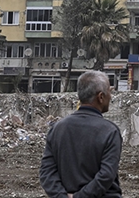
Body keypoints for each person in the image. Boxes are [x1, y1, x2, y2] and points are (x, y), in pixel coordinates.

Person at [40, 70, 123, 198]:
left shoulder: (57, 128)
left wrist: (61, 196)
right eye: (109, 91)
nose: (111, 96)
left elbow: (47, 171)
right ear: (101, 97)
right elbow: (106, 175)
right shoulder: (110, 131)